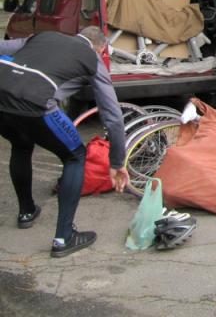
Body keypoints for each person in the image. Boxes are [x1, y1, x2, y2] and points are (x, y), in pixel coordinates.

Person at [0, 27, 130, 257]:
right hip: (37, 102)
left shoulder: (42, 35)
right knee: (75, 156)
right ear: (100, 47)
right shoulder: (93, 58)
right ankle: (63, 238)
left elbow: (3, 47)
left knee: (21, 144)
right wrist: (117, 161)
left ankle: (26, 212)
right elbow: (112, 115)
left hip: (2, 97)